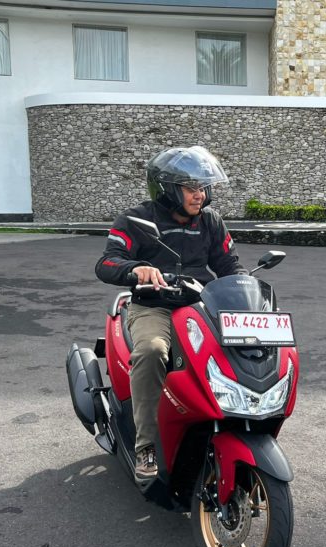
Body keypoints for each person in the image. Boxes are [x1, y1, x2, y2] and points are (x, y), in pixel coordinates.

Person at [95, 146, 246, 480]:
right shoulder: (137, 219)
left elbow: (229, 266)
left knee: (237, 348)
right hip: (155, 306)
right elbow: (106, 263)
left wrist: (247, 287)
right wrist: (136, 269)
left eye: (203, 187)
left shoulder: (210, 221)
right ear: (167, 189)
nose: (199, 194)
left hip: (200, 306)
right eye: (191, 187)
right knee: (152, 351)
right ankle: (146, 446)